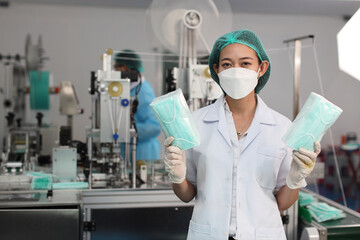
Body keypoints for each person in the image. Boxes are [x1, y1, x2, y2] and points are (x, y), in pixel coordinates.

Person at [163, 30, 321, 240]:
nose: (235, 71)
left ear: (261, 67)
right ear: (216, 69)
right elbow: (187, 195)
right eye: (227, 64)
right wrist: (178, 177)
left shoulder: (282, 127)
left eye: (245, 63)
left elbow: (283, 203)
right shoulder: (195, 123)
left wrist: (294, 180)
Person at [114, 49, 161, 162]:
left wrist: (125, 131)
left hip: (143, 152)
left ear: (125, 68)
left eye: (116, 67)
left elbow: (154, 127)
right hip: (131, 151)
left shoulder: (142, 91)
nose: (114, 71)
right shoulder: (129, 89)